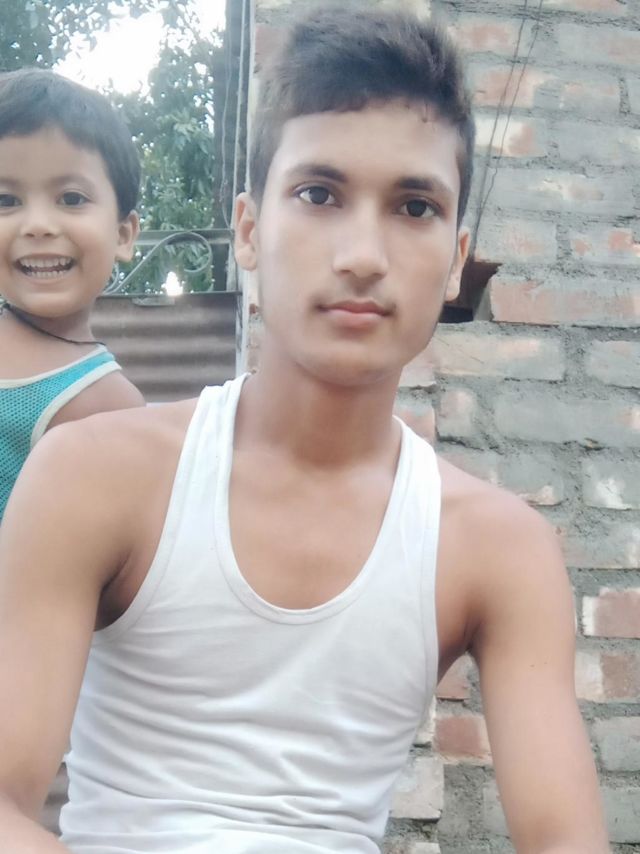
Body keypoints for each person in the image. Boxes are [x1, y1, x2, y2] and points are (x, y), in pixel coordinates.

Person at [0, 6, 609, 853]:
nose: (363, 253)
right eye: (318, 194)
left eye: (414, 207)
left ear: (455, 258)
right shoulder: (96, 474)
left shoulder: (498, 550)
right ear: (250, 230)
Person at [0, 69, 144, 520]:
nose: (38, 225)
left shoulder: (108, 404)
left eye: (72, 198)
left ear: (123, 234)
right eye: (6, 201)